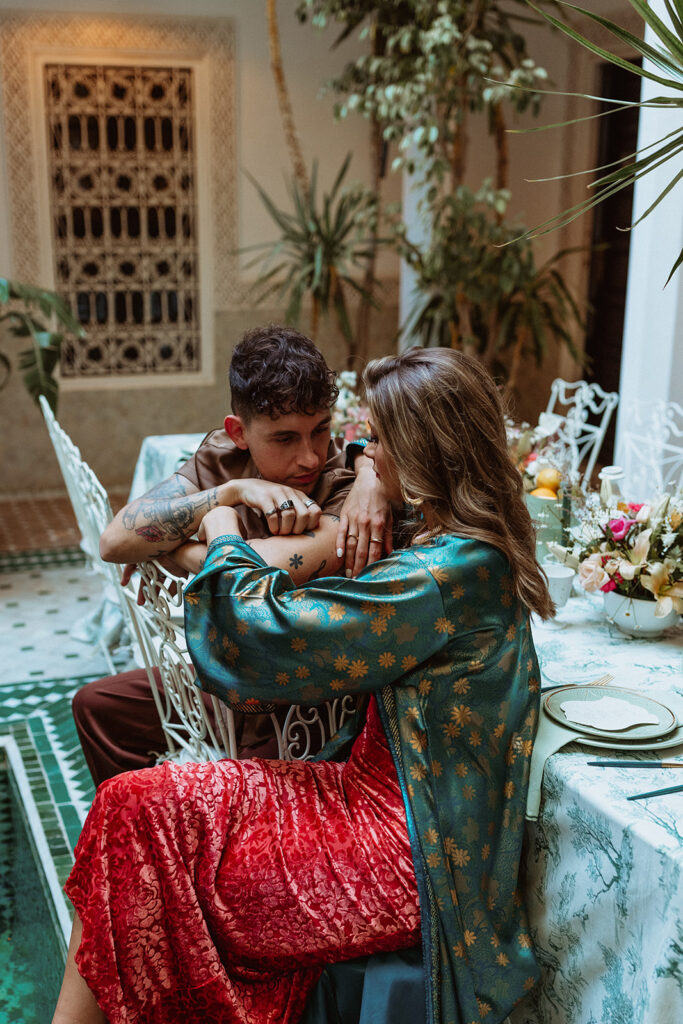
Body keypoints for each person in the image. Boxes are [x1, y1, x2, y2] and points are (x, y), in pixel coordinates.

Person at [53, 347, 553, 1024]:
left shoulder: (444, 572)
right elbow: (126, 540)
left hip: (412, 853)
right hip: (368, 794)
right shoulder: (452, 537)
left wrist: (221, 524)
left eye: (374, 440)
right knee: (127, 807)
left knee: (139, 825)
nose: (357, 455)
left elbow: (258, 636)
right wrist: (370, 482)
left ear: (421, 450)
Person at [73, 324, 391, 785]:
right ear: (238, 432)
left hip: (305, 703)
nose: (308, 457)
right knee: (96, 708)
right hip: (227, 678)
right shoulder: (222, 460)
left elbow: (246, 576)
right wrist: (231, 491)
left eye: (320, 430)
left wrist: (174, 550)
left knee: (239, 786)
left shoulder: (349, 488)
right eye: (284, 439)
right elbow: (114, 542)